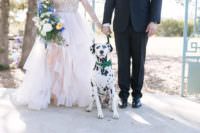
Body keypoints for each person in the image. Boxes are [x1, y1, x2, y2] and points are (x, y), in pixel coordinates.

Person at [14, 0, 102, 110]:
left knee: (74, 58)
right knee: (54, 58)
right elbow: (43, 4)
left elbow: (87, 5)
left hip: (74, 25)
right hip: (56, 24)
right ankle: (53, 93)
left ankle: (71, 94)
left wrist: (98, 23)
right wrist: (44, 19)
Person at [102, 0, 162, 108]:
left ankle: (137, 95)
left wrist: (154, 20)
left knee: (139, 61)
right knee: (123, 61)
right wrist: (106, 21)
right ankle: (123, 96)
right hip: (121, 23)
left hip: (142, 23)